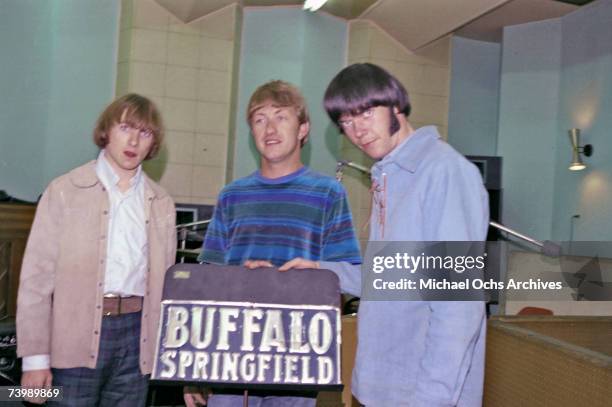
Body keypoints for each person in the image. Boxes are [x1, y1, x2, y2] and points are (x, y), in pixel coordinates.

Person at [280, 63, 489, 406]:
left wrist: (430, 401)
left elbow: (458, 308)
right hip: (378, 389)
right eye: (345, 122)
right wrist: (323, 272)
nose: (356, 130)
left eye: (364, 113)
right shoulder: (388, 177)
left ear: (395, 104)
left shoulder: (444, 173)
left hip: (420, 396)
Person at [184, 80, 361, 407]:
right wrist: (194, 364)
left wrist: (309, 274)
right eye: (259, 119)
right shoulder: (232, 195)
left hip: (296, 352)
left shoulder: (328, 193)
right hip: (230, 354)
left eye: (281, 117)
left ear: (303, 128)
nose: (270, 128)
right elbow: (205, 283)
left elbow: (350, 272)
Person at [16, 94, 177, 406]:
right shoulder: (64, 191)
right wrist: (35, 359)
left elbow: (166, 289)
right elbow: (35, 280)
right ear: (107, 130)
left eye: (144, 133)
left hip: (137, 341)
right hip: (73, 339)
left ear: (153, 143)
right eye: (126, 127)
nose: (133, 140)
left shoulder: (161, 202)